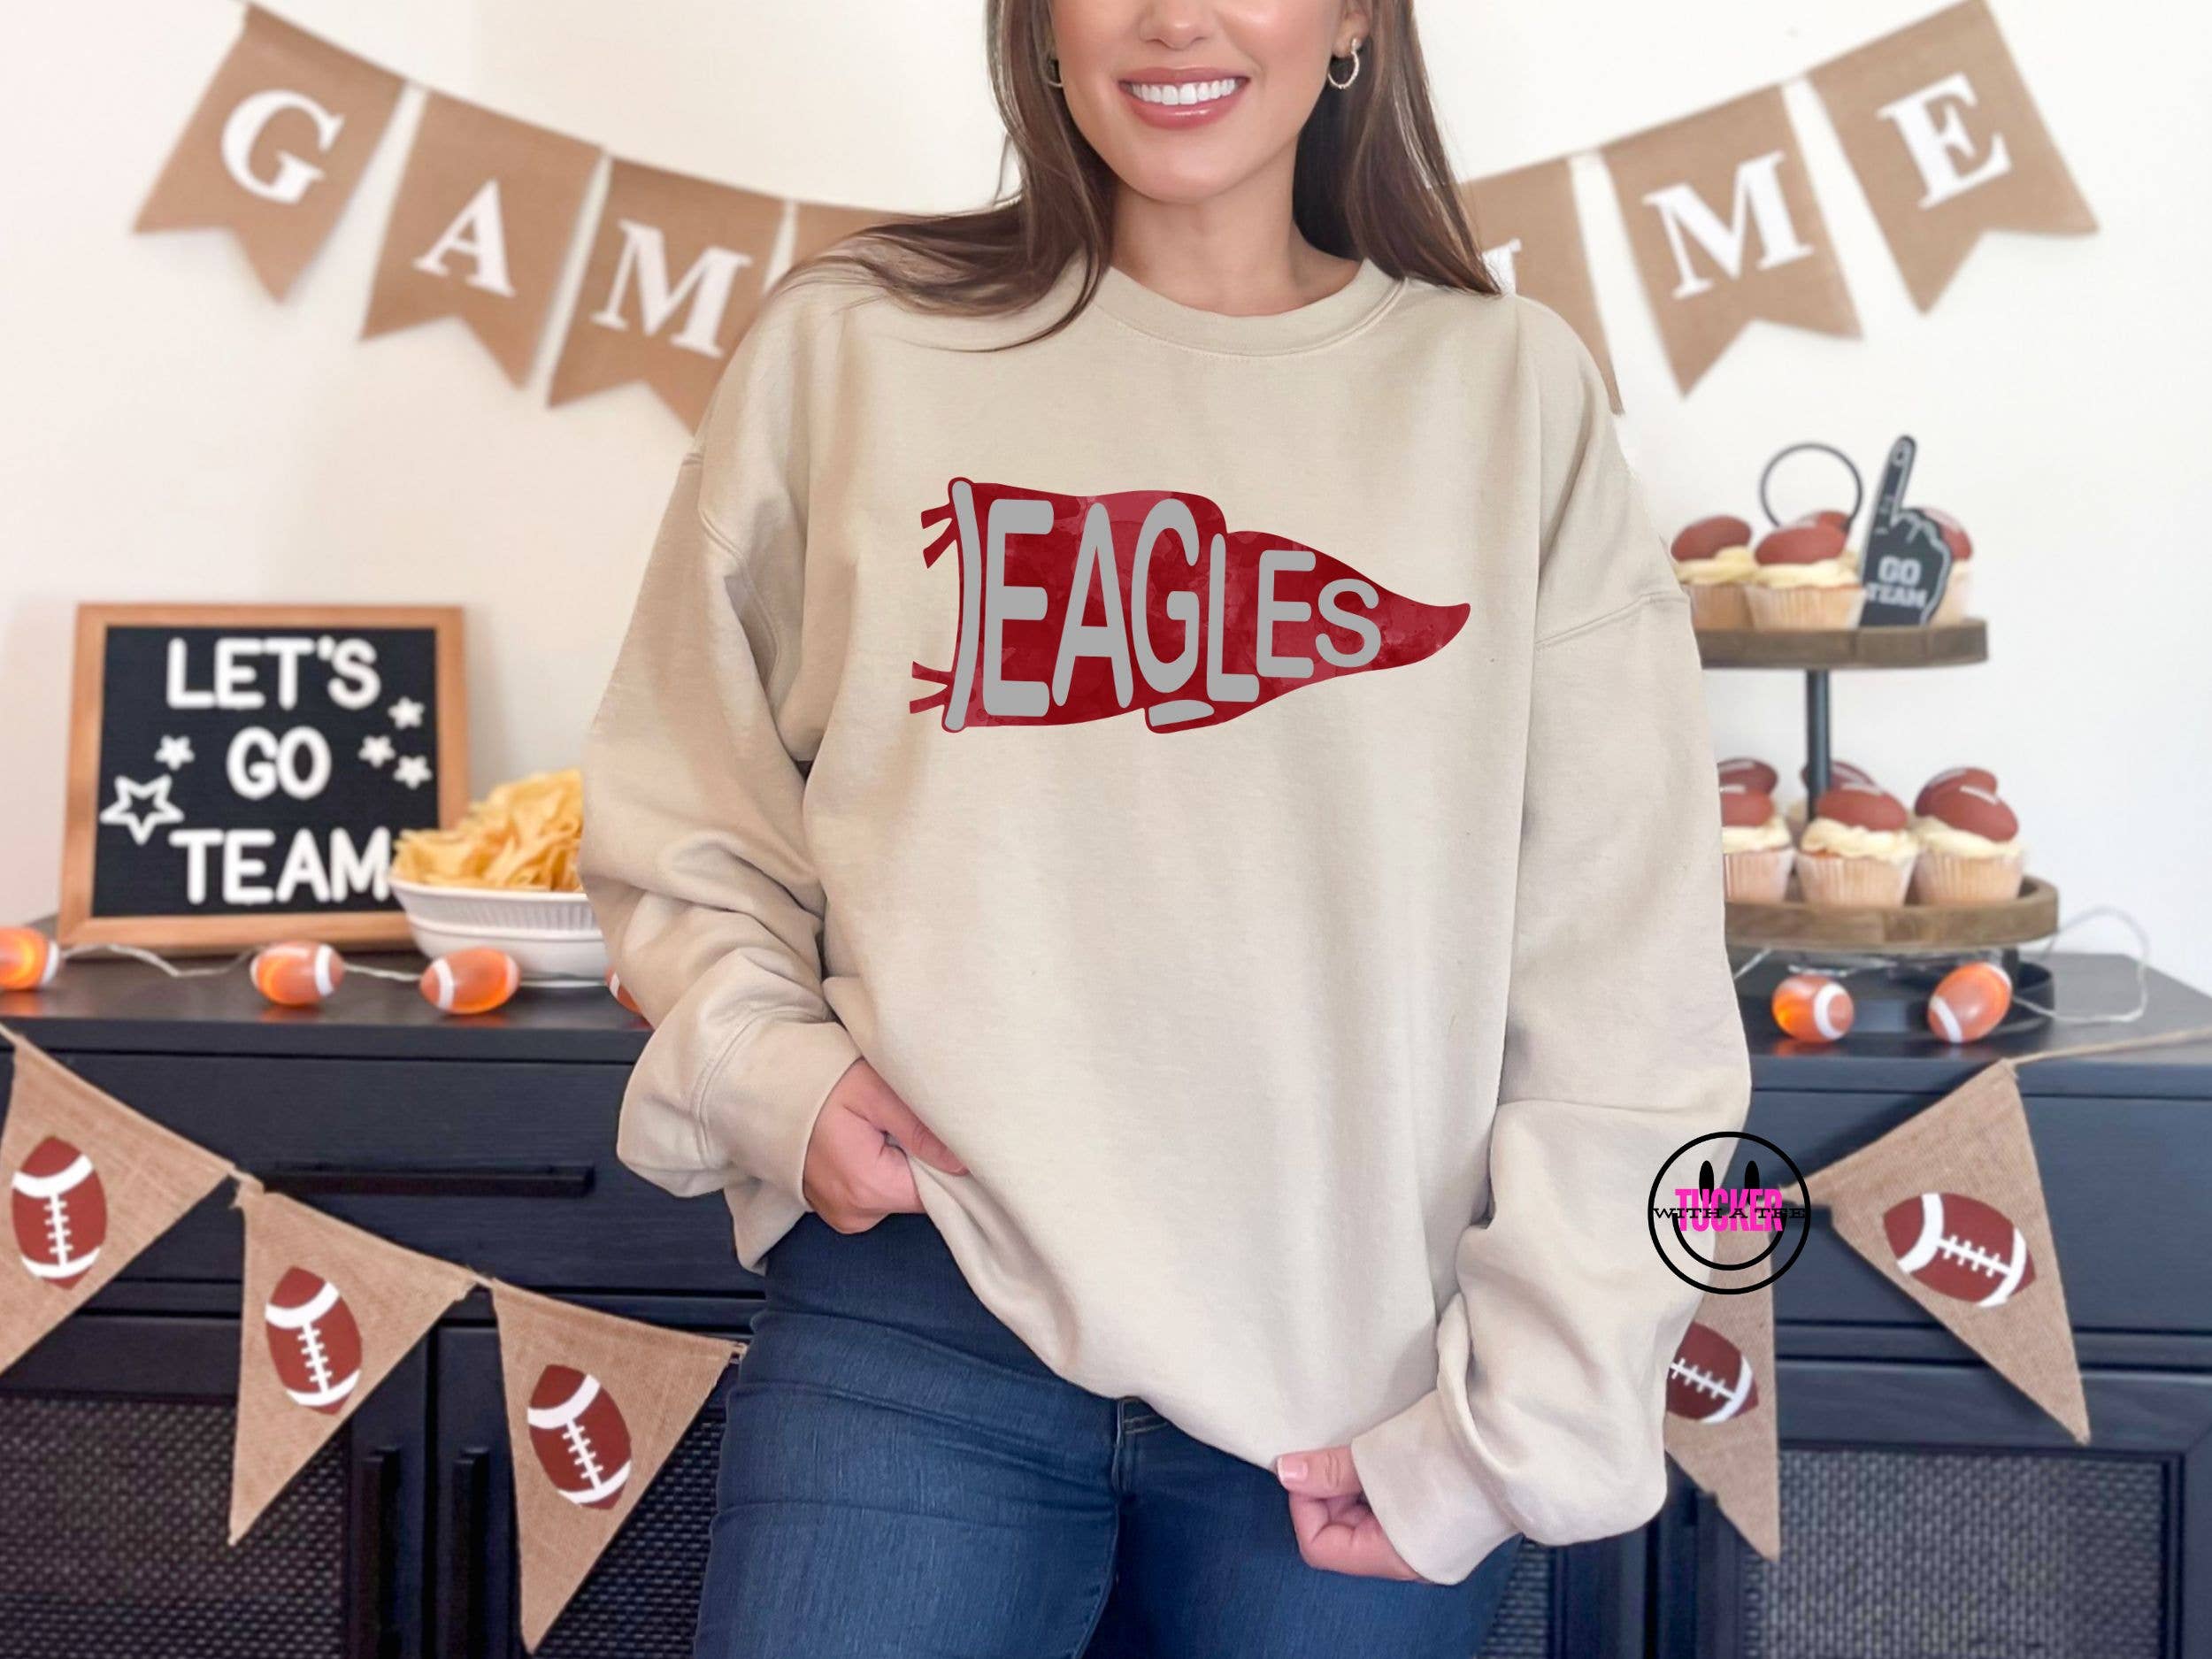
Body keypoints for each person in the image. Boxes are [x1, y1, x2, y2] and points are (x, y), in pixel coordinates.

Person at [577, 0, 1753, 1653]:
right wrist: (772, 1072)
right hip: (921, 1310)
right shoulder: (852, 350)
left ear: (1352, 18)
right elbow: (681, 807)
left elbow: (1630, 993)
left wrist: (1524, 1430)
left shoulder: (1509, 396)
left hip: (1357, 1380)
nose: (1174, 17)